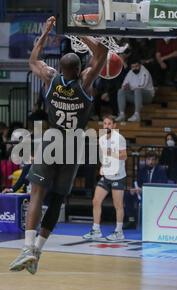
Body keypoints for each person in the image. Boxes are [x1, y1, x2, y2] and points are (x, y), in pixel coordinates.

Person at [9, 16, 108, 275]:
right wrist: (80, 30)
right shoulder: (85, 81)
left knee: (37, 195)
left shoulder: (50, 77)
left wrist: (45, 34)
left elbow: (33, 60)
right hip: (74, 144)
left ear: (60, 68)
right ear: (78, 70)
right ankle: (38, 251)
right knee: (56, 200)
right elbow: (102, 53)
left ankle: (27, 248)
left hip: (52, 140)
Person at [82, 115, 127, 241]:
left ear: (114, 125)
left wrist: (110, 153)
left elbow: (124, 156)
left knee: (118, 205)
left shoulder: (119, 138)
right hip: (107, 175)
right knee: (96, 201)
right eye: (105, 123)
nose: (106, 126)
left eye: (109, 124)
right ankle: (96, 230)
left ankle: (119, 232)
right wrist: (103, 166)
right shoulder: (101, 139)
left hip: (118, 176)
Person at [124, 151, 168, 228]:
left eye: (153, 160)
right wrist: (134, 190)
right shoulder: (142, 171)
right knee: (128, 195)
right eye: (148, 160)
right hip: (142, 194)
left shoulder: (161, 171)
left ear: (156, 161)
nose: (150, 162)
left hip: (156, 196)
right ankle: (132, 220)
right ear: (146, 160)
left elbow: (161, 187)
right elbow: (138, 184)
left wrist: (144, 190)